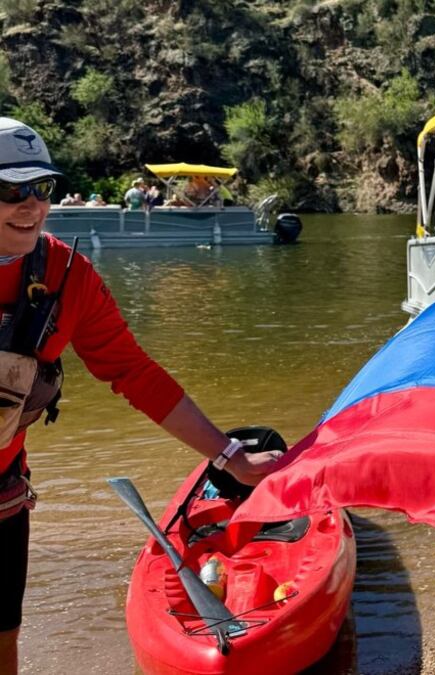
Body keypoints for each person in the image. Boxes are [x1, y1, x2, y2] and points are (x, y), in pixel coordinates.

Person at [0, 117, 283, 674]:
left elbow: (133, 372)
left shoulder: (67, 275)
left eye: (42, 188)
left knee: (3, 636)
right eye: (10, 190)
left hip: (3, 494)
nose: (31, 206)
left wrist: (230, 456)